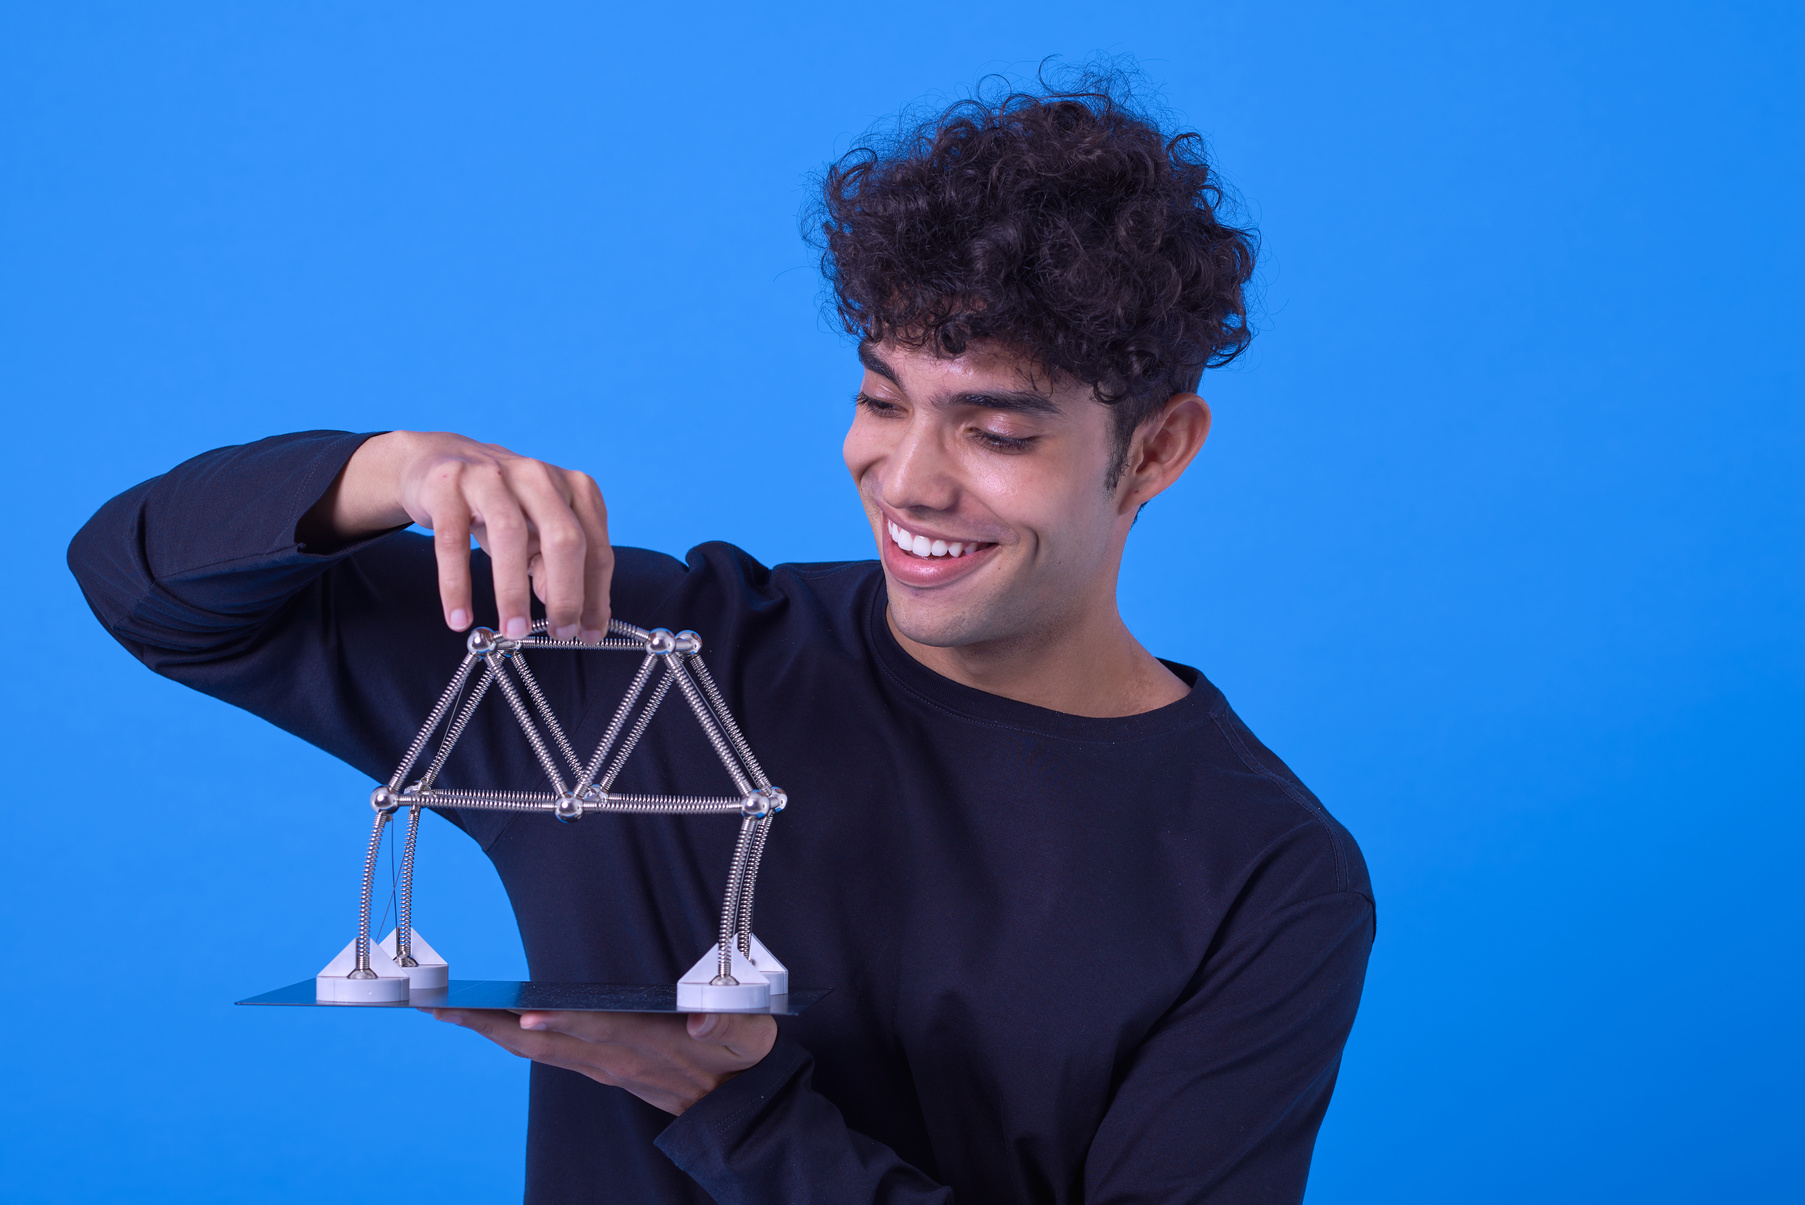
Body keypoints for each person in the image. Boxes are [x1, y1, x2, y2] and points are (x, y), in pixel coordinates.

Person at [69, 72, 1373, 1204]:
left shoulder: (1261, 874)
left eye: (994, 430)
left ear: (1154, 450)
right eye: (879, 400)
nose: (907, 479)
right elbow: (145, 584)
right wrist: (387, 469)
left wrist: (734, 1111)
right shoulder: (637, 655)